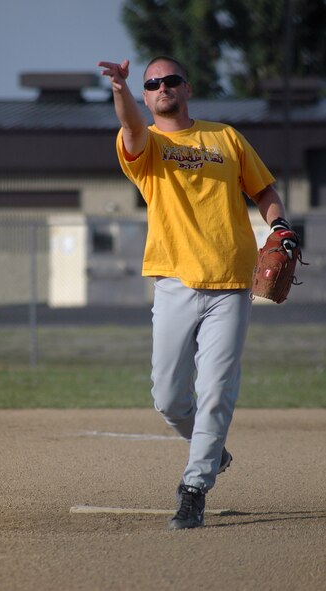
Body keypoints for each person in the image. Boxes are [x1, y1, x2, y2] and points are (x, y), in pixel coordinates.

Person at [98, 56, 291, 530]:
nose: (162, 86)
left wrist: (281, 226)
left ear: (187, 86)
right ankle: (213, 449)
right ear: (146, 96)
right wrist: (120, 89)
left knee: (216, 391)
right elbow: (130, 127)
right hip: (175, 282)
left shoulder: (225, 138)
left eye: (171, 79)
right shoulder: (148, 144)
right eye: (152, 83)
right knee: (167, 398)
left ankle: (194, 487)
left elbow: (263, 190)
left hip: (230, 282)